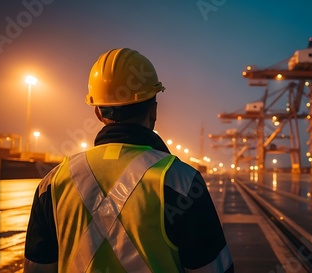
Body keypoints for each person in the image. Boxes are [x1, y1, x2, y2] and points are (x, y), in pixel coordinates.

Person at [23, 48, 234, 273]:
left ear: (97, 113)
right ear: (154, 111)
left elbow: (36, 269)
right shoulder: (181, 181)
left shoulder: (53, 183)